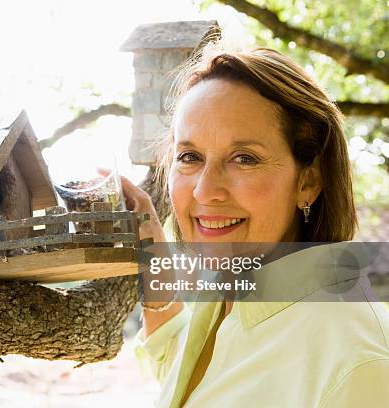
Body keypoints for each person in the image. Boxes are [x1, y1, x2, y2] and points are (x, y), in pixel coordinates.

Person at [119, 44, 389, 407]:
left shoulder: (357, 366)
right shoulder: (228, 292)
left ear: (308, 181)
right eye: (189, 157)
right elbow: (184, 372)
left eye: (244, 158)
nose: (205, 190)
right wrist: (152, 248)